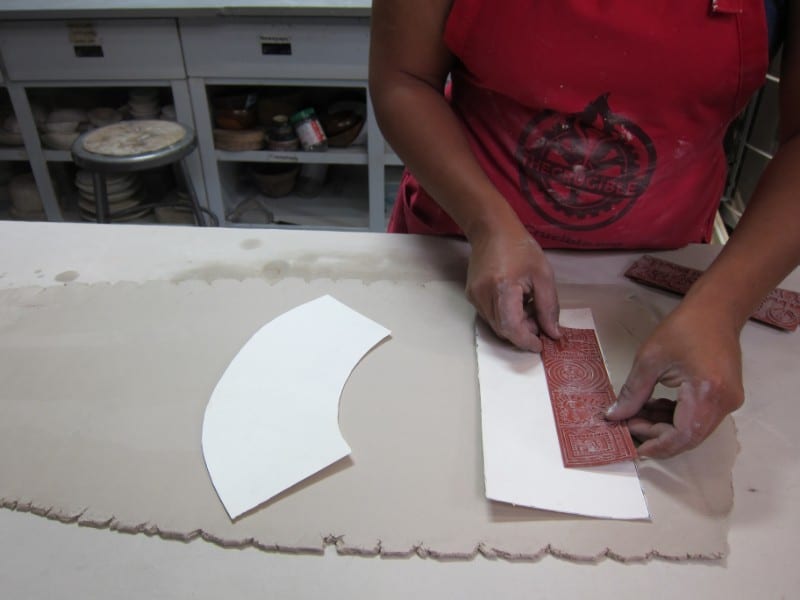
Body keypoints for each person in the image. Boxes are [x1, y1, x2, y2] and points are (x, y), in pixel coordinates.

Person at [369, 0, 800, 458]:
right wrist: (487, 224)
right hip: (460, 247)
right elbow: (404, 79)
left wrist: (722, 309)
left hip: (664, 268)